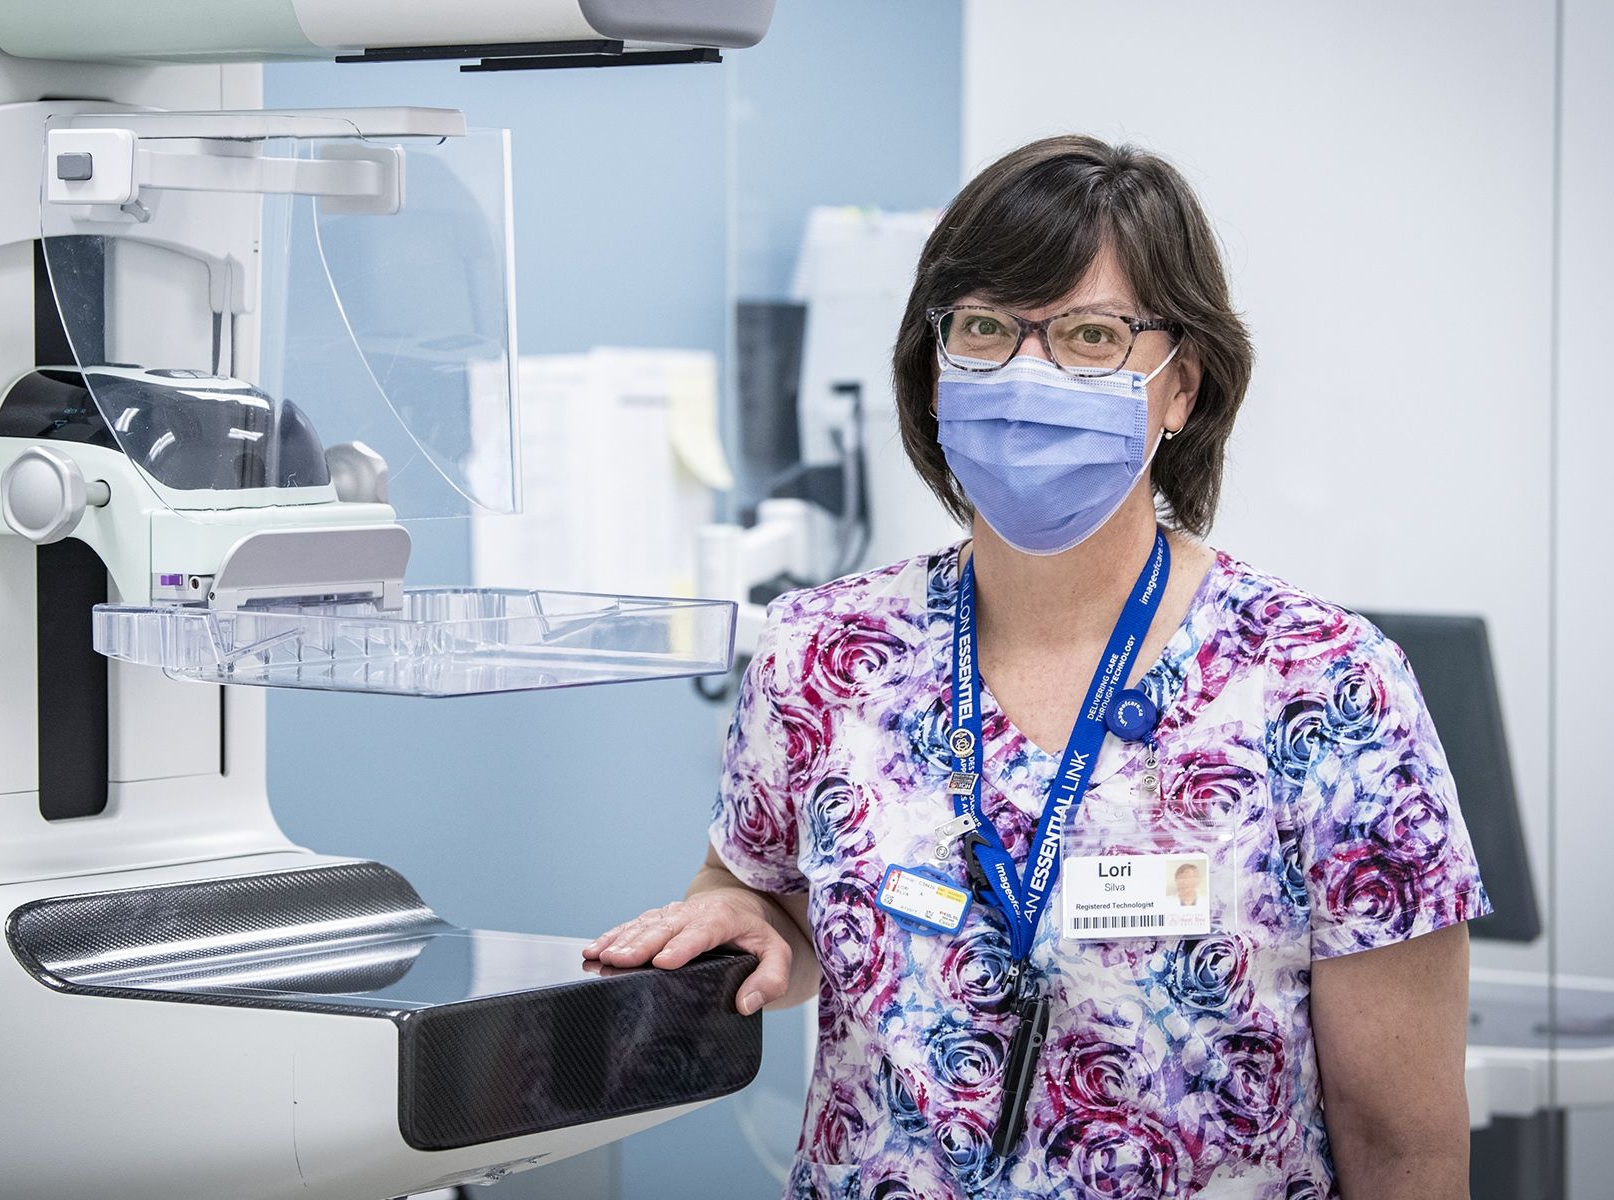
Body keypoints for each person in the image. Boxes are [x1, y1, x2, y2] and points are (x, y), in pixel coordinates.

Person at [584, 135, 1487, 1200]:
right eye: (984, 329)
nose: (1027, 374)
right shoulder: (820, 654)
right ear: (932, 369)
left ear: (1181, 386)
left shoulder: (1326, 687)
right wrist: (743, 921)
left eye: (1092, 337)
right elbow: (762, 889)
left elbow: (1403, 1145)